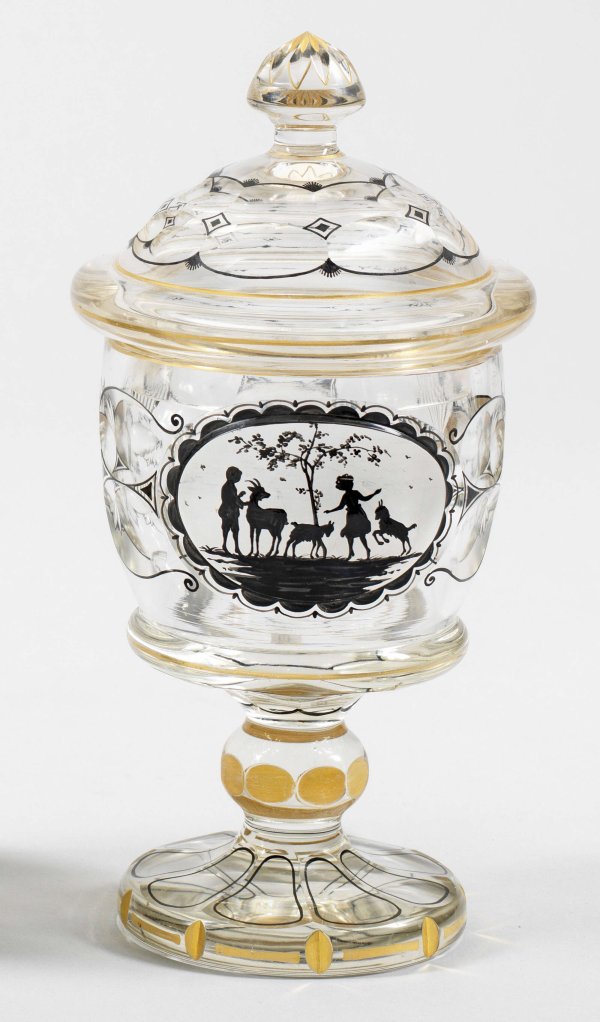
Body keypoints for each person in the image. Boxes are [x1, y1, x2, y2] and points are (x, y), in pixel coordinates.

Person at [325, 474, 381, 559]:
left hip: (357, 515)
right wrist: (330, 511)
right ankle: (351, 552)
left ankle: (366, 550)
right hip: (351, 516)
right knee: (349, 534)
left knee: (361, 534)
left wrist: (374, 494)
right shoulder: (346, 495)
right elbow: (341, 507)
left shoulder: (354, 493)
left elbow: (364, 499)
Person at [218, 466, 246, 555]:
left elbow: (234, 498)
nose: (238, 479)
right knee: (229, 528)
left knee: (233, 529)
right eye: (238, 476)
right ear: (232, 475)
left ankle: (235, 547)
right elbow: (232, 499)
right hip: (228, 511)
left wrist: (240, 499)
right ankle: (227, 546)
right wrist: (240, 500)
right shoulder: (228, 486)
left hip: (231, 511)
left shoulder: (231, 486)